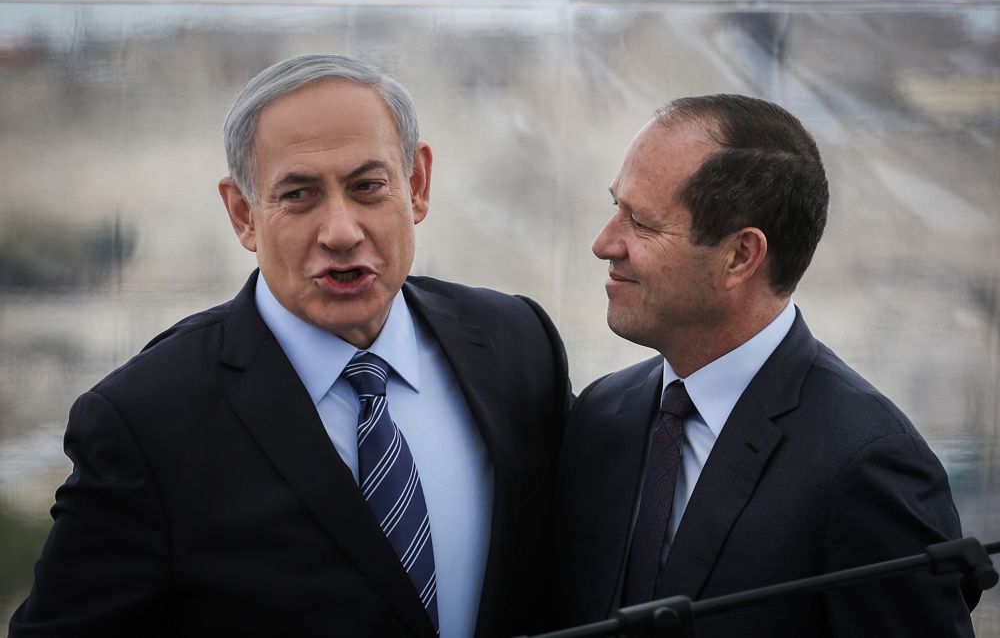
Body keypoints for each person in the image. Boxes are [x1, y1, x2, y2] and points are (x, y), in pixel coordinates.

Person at [10, 54, 570, 638]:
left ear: (418, 185)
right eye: (299, 195)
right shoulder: (146, 420)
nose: (341, 232)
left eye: (367, 187)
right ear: (243, 214)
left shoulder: (516, 343)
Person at [551, 94, 977, 637]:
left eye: (641, 222)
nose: (604, 242)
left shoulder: (867, 461)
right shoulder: (603, 414)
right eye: (615, 207)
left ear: (740, 256)